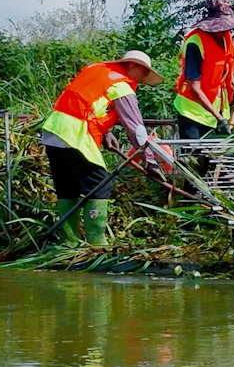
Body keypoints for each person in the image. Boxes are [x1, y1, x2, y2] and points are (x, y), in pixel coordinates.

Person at [40, 49, 173, 246]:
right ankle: (97, 244)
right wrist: (150, 162)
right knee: (100, 185)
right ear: (132, 65)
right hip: (75, 134)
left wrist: (106, 134)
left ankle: (69, 244)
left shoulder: (98, 72)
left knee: (68, 188)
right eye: (144, 71)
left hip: (53, 130)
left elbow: (88, 103)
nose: (144, 77)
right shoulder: (121, 85)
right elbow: (136, 129)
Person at [173, 0, 234, 140]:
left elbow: (225, 68)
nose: (225, 30)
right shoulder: (195, 44)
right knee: (194, 153)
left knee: (216, 153)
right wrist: (219, 118)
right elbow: (194, 87)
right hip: (193, 113)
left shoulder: (226, 39)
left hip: (216, 113)